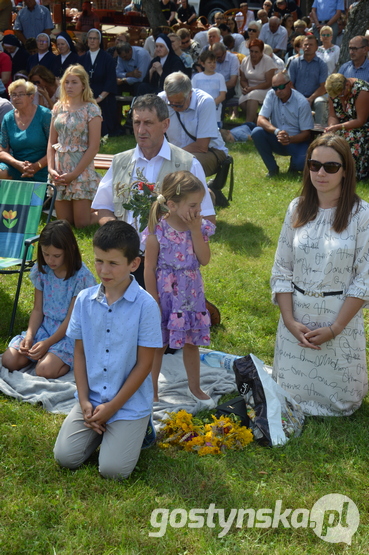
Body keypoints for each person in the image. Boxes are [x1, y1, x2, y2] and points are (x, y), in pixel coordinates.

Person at [53, 220, 162, 479]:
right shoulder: (84, 300)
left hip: (127, 403)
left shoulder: (146, 307)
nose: (104, 270)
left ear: (134, 264)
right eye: (99, 261)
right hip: (91, 399)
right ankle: (104, 430)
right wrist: (83, 401)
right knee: (65, 458)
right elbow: (78, 353)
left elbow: (145, 364)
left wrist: (112, 408)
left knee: (112, 471)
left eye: (113, 263)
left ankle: (142, 428)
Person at [271, 133, 369, 416]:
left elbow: (365, 280)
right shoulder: (297, 208)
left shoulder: (362, 215)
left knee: (343, 404)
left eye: (331, 167)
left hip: (339, 322)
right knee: (288, 397)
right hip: (296, 322)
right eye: (314, 165)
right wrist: (289, 321)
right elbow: (281, 269)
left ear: (346, 171)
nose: (321, 173)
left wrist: (335, 329)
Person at [91, 94, 215, 285]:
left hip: (170, 266)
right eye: (136, 122)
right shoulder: (120, 162)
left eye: (148, 123)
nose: (141, 130)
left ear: (165, 124)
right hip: (126, 260)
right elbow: (103, 207)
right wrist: (118, 236)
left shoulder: (187, 164)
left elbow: (207, 217)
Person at [143, 171, 215, 407]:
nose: (198, 210)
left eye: (199, 204)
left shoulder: (200, 228)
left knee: (192, 341)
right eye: (193, 205)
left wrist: (195, 231)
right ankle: (151, 389)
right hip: (166, 296)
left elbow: (204, 259)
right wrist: (152, 298)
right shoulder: (158, 232)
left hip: (191, 293)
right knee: (158, 344)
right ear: (172, 205)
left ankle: (195, 387)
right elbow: (149, 268)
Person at [2, 220, 96, 379]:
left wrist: (47, 344)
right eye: (46, 254)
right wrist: (30, 335)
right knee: (8, 360)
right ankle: (38, 356)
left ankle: (63, 360)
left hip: (67, 334)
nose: (50, 260)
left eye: (56, 256)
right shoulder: (42, 270)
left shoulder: (81, 277)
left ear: (70, 249)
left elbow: (71, 320)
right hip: (44, 328)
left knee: (44, 370)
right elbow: (38, 310)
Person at [47, 64, 102, 229]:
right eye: (66, 82)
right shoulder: (58, 107)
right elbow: (51, 142)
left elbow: (94, 147)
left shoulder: (91, 109)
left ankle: (108, 212)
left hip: (80, 169)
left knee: (81, 224)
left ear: (83, 85)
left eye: (74, 82)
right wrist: (51, 169)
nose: (69, 86)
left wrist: (74, 174)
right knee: (64, 224)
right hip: (60, 168)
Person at [159, 72, 228, 177]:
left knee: (184, 167)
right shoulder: (161, 100)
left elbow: (202, 146)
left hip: (211, 151)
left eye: (179, 103)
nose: (174, 107)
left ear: (190, 93)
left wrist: (170, 155)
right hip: (178, 153)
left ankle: (204, 193)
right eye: (171, 103)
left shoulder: (205, 102)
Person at [250, 70, 313, 176]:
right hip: (277, 138)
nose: (278, 91)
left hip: (296, 141)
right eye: (274, 88)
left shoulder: (302, 102)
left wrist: (290, 139)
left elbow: (306, 134)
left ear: (290, 84)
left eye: (281, 87)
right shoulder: (271, 95)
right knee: (257, 132)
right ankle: (272, 169)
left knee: (301, 165)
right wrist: (277, 132)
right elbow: (260, 120)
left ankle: (294, 165)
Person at [0, 79, 50, 181]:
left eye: (21, 94)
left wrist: (36, 166)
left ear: (31, 96)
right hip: (17, 166)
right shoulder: (8, 118)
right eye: (13, 95)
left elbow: (55, 147)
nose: (16, 98)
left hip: (43, 166)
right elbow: (2, 151)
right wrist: (17, 164)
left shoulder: (45, 115)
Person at [325, 73, 369, 181]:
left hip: (362, 127)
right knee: (327, 140)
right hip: (343, 126)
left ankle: (352, 175)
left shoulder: (362, 91)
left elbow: (360, 120)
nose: (338, 98)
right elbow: (332, 115)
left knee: (352, 138)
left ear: (348, 85)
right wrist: (332, 127)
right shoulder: (334, 92)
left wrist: (338, 127)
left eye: (341, 95)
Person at [80, 29, 118, 137]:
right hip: (86, 95)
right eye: (90, 38)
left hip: (103, 96)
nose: (92, 41)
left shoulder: (107, 59)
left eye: (95, 38)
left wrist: (99, 98)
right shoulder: (82, 59)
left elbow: (110, 80)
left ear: (99, 41)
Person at [288, 35, 328, 125]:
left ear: (316, 47)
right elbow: (290, 84)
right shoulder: (294, 63)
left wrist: (310, 99)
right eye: (305, 45)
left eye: (311, 45)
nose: (307, 47)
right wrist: (301, 99)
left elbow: (323, 87)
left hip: (315, 97)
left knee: (320, 102)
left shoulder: (322, 65)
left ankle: (319, 130)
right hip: (296, 96)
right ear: (302, 47)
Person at [239, 39, 277, 123]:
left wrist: (253, 88)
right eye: (251, 51)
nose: (253, 54)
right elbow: (243, 79)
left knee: (253, 96)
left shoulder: (267, 61)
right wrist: (246, 87)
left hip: (266, 89)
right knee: (241, 101)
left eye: (256, 52)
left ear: (261, 52)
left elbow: (269, 82)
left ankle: (247, 123)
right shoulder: (245, 60)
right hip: (250, 89)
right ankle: (257, 121)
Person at [192, 50, 226, 127]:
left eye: (214, 62)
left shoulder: (220, 77)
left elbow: (222, 95)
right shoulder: (196, 78)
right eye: (209, 62)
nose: (212, 65)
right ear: (203, 64)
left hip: (215, 112)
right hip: (200, 110)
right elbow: (193, 94)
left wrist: (210, 105)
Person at [212, 42, 240, 109]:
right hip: (213, 87)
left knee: (221, 97)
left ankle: (219, 118)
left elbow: (232, 82)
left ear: (225, 52)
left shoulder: (233, 59)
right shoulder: (212, 59)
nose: (217, 59)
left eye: (219, 57)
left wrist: (217, 87)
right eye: (215, 57)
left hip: (228, 88)